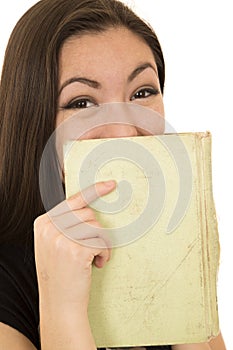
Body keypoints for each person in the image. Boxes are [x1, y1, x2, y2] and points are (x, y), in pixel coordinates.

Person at [0, 0, 226, 349]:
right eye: (82, 103)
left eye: (142, 92)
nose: (124, 132)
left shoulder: (177, 238)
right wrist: (62, 308)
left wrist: (184, 270)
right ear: (34, 123)